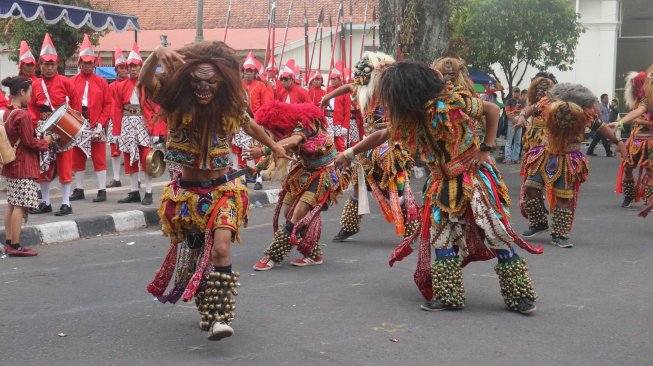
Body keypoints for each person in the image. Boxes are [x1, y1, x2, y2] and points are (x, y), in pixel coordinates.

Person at [337, 62, 543, 314]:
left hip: (471, 178)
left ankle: (519, 295)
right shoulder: (409, 117)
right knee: (440, 236)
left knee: (494, 231)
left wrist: (486, 148)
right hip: (440, 185)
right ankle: (448, 295)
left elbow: (491, 110)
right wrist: (348, 153)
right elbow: (381, 135)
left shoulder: (453, 102)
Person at [142, 42, 287, 341]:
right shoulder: (175, 104)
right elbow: (145, 81)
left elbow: (252, 127)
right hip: (187, 197)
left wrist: (274, 147)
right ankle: (208, 311)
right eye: (197, 82)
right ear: (186, 82)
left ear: (222, 82)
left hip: (223, 190)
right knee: (198, 258)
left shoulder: (229, 107)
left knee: (221, 248)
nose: (204, 87)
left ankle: (221, 317)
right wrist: (156, 53)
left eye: (211, 81)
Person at [320, 52, 420, 245]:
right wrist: (328, 96)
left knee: (396, 188)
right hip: (367, 145)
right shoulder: (362, 89)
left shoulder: (388, 89)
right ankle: (349, 226)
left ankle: (411, 227)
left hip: (388, 146)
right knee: (357, 186)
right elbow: (350, 86)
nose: (359, 83)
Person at [521, 84, 625, 248]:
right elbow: (531, 109)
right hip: (545, 154)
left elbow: (602, 128)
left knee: (564, 196)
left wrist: (619, 142)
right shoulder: (547, 104)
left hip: (568, 158)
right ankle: (539, 222)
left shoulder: (585, 113)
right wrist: (521, 116)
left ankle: (560, 234)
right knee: (530, 189)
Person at [252, 101, 342, 271]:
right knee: (289, 212)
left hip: (324, 173)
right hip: (305, 171)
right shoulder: (285, 131)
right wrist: (256, 168)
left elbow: (292, 141)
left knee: (299, 212)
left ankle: (272, 256)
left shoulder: (305, 123)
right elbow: (277, 148)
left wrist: (264, 150)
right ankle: (313, 254)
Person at [28, 33, 81, 216]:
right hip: (43, 128)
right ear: (39, 65)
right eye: (45, 64)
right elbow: (32, 108)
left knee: (65, 164)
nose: (49, 68)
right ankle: (46, 202)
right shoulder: (35, 85)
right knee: (44, 165)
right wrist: (37, 127)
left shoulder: (66, 82)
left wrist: (73, 123)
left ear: (57, 64)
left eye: (52, 64)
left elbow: (76, 103)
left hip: (64, 127)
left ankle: (66, 203)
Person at [1, 76, 53, 256]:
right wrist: (45, 142)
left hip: (11, 163)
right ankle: (15, 246)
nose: (31, 95)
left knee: (12, 204)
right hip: (23, 165)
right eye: (30, 92)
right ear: (22, 92)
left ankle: (9, 242)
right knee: (20, 206)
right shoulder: (22, 114)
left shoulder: (8, 111)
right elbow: (29, 142)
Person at [114, 42, 160, 205]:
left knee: (147, 158)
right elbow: (117, 109)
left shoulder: (148, 85)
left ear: (142, 67)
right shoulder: (121, 86)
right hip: (127, 124)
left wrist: (155, 132)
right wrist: (117, 133)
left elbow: (155, 108)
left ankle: (148, 191)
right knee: (129, 158)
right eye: (130, 66)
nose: (132, 69)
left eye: (136, 66)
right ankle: (134, 191)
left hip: (143, 124)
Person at [69, 34, 112, 203]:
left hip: (97, 123)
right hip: (79, 123)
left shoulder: (102, 82)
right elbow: (68, 104)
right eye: (84, 62)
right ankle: (79, 189)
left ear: (94, 63)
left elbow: (107, 105)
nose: (87, 65)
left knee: (99, 155)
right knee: (77, 155)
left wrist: (101, 124)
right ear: (79, 63)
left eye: (90, 62)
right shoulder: (71, 81)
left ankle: (102, 190)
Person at [611, 66, 653, 209]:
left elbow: (640, 117)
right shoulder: (641, 103)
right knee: (628, 167)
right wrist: (619, 123)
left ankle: (650, 201)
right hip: (635, 141)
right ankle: (628, 195)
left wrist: (644, 122)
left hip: (650, 142)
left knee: (650, 170)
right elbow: (636, 115)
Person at [107, 47, 129, 188]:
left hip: (129, 119)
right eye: (121, 67)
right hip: (114, 120)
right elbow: (109, 104)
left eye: (125, 67)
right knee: (115, 150)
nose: (124, 70)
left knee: (132, 149)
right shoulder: (111, 86)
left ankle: (136, 178)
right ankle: (116, 178)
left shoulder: (133, 84)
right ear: (116, 70)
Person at [325, 61, 351, 152]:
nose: (332, 81)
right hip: (328, 119)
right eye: (331, 79)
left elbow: (347, 110)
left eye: (334, 79)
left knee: (340, 144)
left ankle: (342, 163)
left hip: (339, 121)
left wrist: (345, 125)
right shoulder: (328, 89)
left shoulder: (345, 92)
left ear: (340, 79)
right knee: (328, 143)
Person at [504, 87, 524, 164]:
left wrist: (519, 121)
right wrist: (514, 120)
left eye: (518, 92)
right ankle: (508, 158)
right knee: (509, 141)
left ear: (519, 93)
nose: (516, 93)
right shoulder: (508, 101)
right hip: (511, 122)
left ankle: (515, 158)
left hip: (520, 122)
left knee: (518, 142)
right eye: (515, 92)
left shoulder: (522, 101)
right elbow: (507, 113)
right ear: (512, 93)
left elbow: (524, 112)